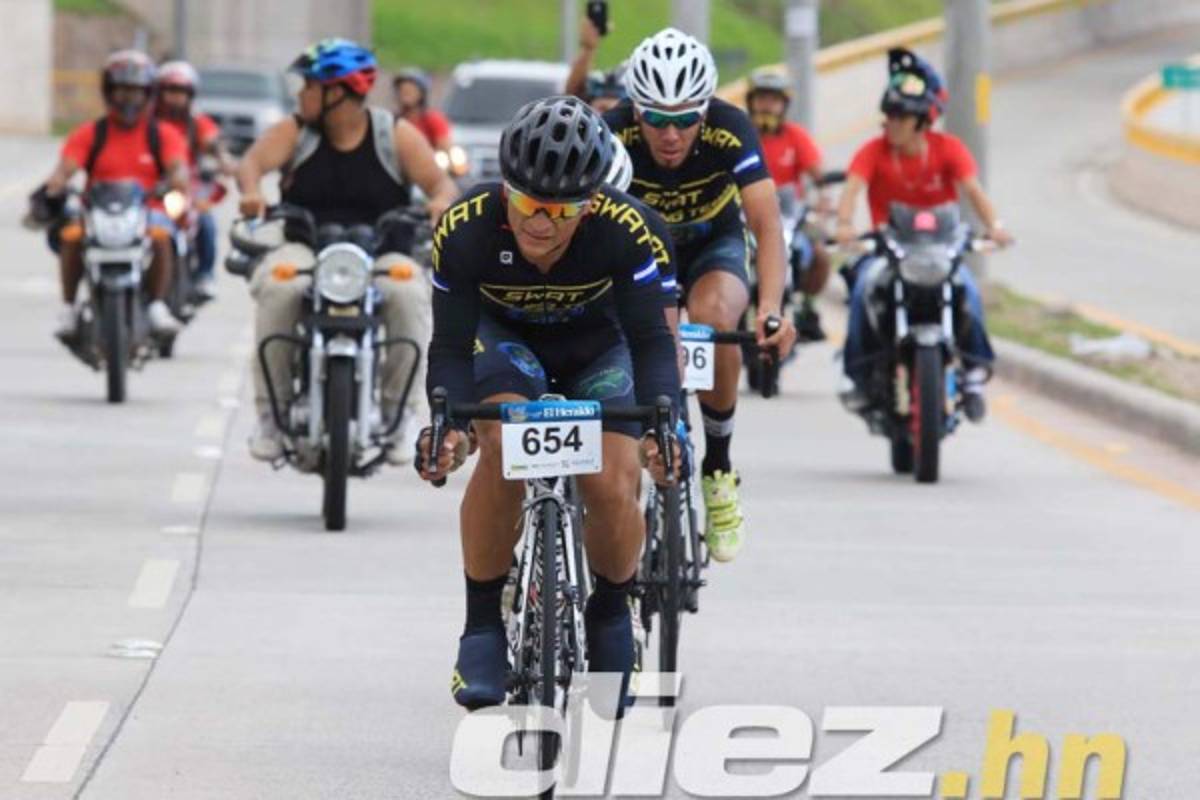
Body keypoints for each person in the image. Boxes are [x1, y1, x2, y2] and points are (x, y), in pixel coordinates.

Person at [416, 96, 680, 710]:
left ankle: (611, 612)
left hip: (599, 348)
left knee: (614, 480)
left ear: (590, 205)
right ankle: (482, 624)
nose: (540, 221)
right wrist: (448, 422)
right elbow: (450, 346)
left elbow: (651, 340)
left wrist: (664, 421)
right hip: (507, 344)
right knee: (506, 449)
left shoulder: (631, 229)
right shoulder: (464, 227)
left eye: (559, 210)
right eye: (529, 203)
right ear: (506, 189)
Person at [604, 27, 797, 563]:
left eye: (686, 119)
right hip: (643, 250)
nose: (671, 134)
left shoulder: (731, 128)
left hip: (713, 243)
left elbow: (766, 222)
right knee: (652, 335)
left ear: (705, 113)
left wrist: (772, 309)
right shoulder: (612, 130)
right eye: (657, 120)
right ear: (634, 111)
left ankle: (718, 467)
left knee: (714, 319)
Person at [236, 39, 458, 463]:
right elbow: (251, 165)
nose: (301, 94)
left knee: (410, 292)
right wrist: (250, 192)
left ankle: (398, 415)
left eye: (309, 86)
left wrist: (439, 203)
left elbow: (440, 183)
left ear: (337, 92)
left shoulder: (393, 133)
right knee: (279, 289)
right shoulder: (295, 131)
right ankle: (271, 414)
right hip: (306, 249)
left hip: (380, 254)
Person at [835, 48, 1013, 422]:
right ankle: (857, 374)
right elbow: (851, 190)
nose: (891, 124)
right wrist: (846, 225)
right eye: (889, 115)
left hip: (939, 250)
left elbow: (974, 192)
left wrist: (994, 228)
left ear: (921, 120)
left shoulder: (949, 149)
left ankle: (975, 372)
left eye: (901, 116)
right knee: (863, 286)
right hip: (889, 250)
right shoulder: (873, 151)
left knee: (967, 287)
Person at [43, 50, 188, 337]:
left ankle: (158, 304)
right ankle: (69, 308)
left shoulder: (163, 134)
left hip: (147, 210)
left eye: (135, 91)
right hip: (97, 211)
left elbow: (178, 169)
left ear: (148, 94)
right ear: (109, 92)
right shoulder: (90, 133)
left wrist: (175, 181)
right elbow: (65, 169)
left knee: (162, 235)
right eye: (122, 90)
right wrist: (54, 187)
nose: (128, 98)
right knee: (71, 234)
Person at [745, 67, 832, 341]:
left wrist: (823, 204)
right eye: (762, 99)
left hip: (788, 214)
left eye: (774, 100)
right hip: (743, 215)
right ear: (751, 102)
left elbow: (819, 177)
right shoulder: (742, 134)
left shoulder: (796, 137)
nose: (767, 106)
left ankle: (807, 307)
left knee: (819, 254)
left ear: (784, 104)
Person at [154, 60, 236, 300]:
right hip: (153, 187)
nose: (175, 99)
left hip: (187, 188)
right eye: (170, 91)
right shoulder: (148, 123)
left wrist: (224, 160)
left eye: (181, 92)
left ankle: (205, 274)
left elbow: (213, 141)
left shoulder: (196, 123)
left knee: (205, 220)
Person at [392, 68, 453, 153]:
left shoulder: (433, 119)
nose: (405, 95)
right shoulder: (392, 120)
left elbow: (445, 147)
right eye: (402, 91)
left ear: (421, 93)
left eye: (410, 91)